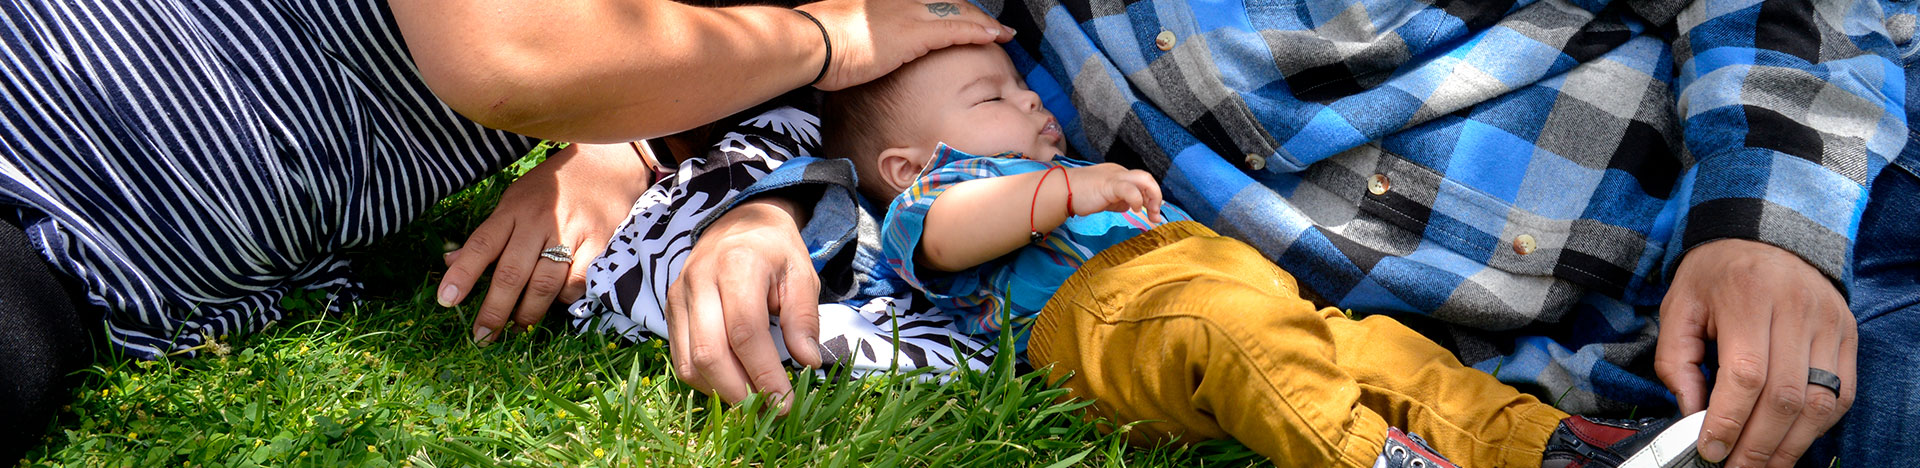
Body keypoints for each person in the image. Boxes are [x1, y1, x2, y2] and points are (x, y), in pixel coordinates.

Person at [667, 0, 1914, 465]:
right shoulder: (978, 54)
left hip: (1837, 207)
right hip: (1633, 377)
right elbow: (826, 96)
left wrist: (1771, 225)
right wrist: (738, 197)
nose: (1032, 114)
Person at [0, 0, 1013, 461]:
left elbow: (793, 92)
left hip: (105, 273)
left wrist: (619, 150)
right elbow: (508, 50)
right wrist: (823, 40)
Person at [826, 42, 1715, 467]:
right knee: (1242, 344)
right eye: (992, 97)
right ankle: (1370, 459)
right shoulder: (931, 199)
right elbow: (949, 234)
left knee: (1381, 353)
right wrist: (1063, 190)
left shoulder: (1056, 170)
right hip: (1110, 321)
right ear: (907, 164)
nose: (1027, 106)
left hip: (1216, 286)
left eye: (1023, 88)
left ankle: (1551, 445)